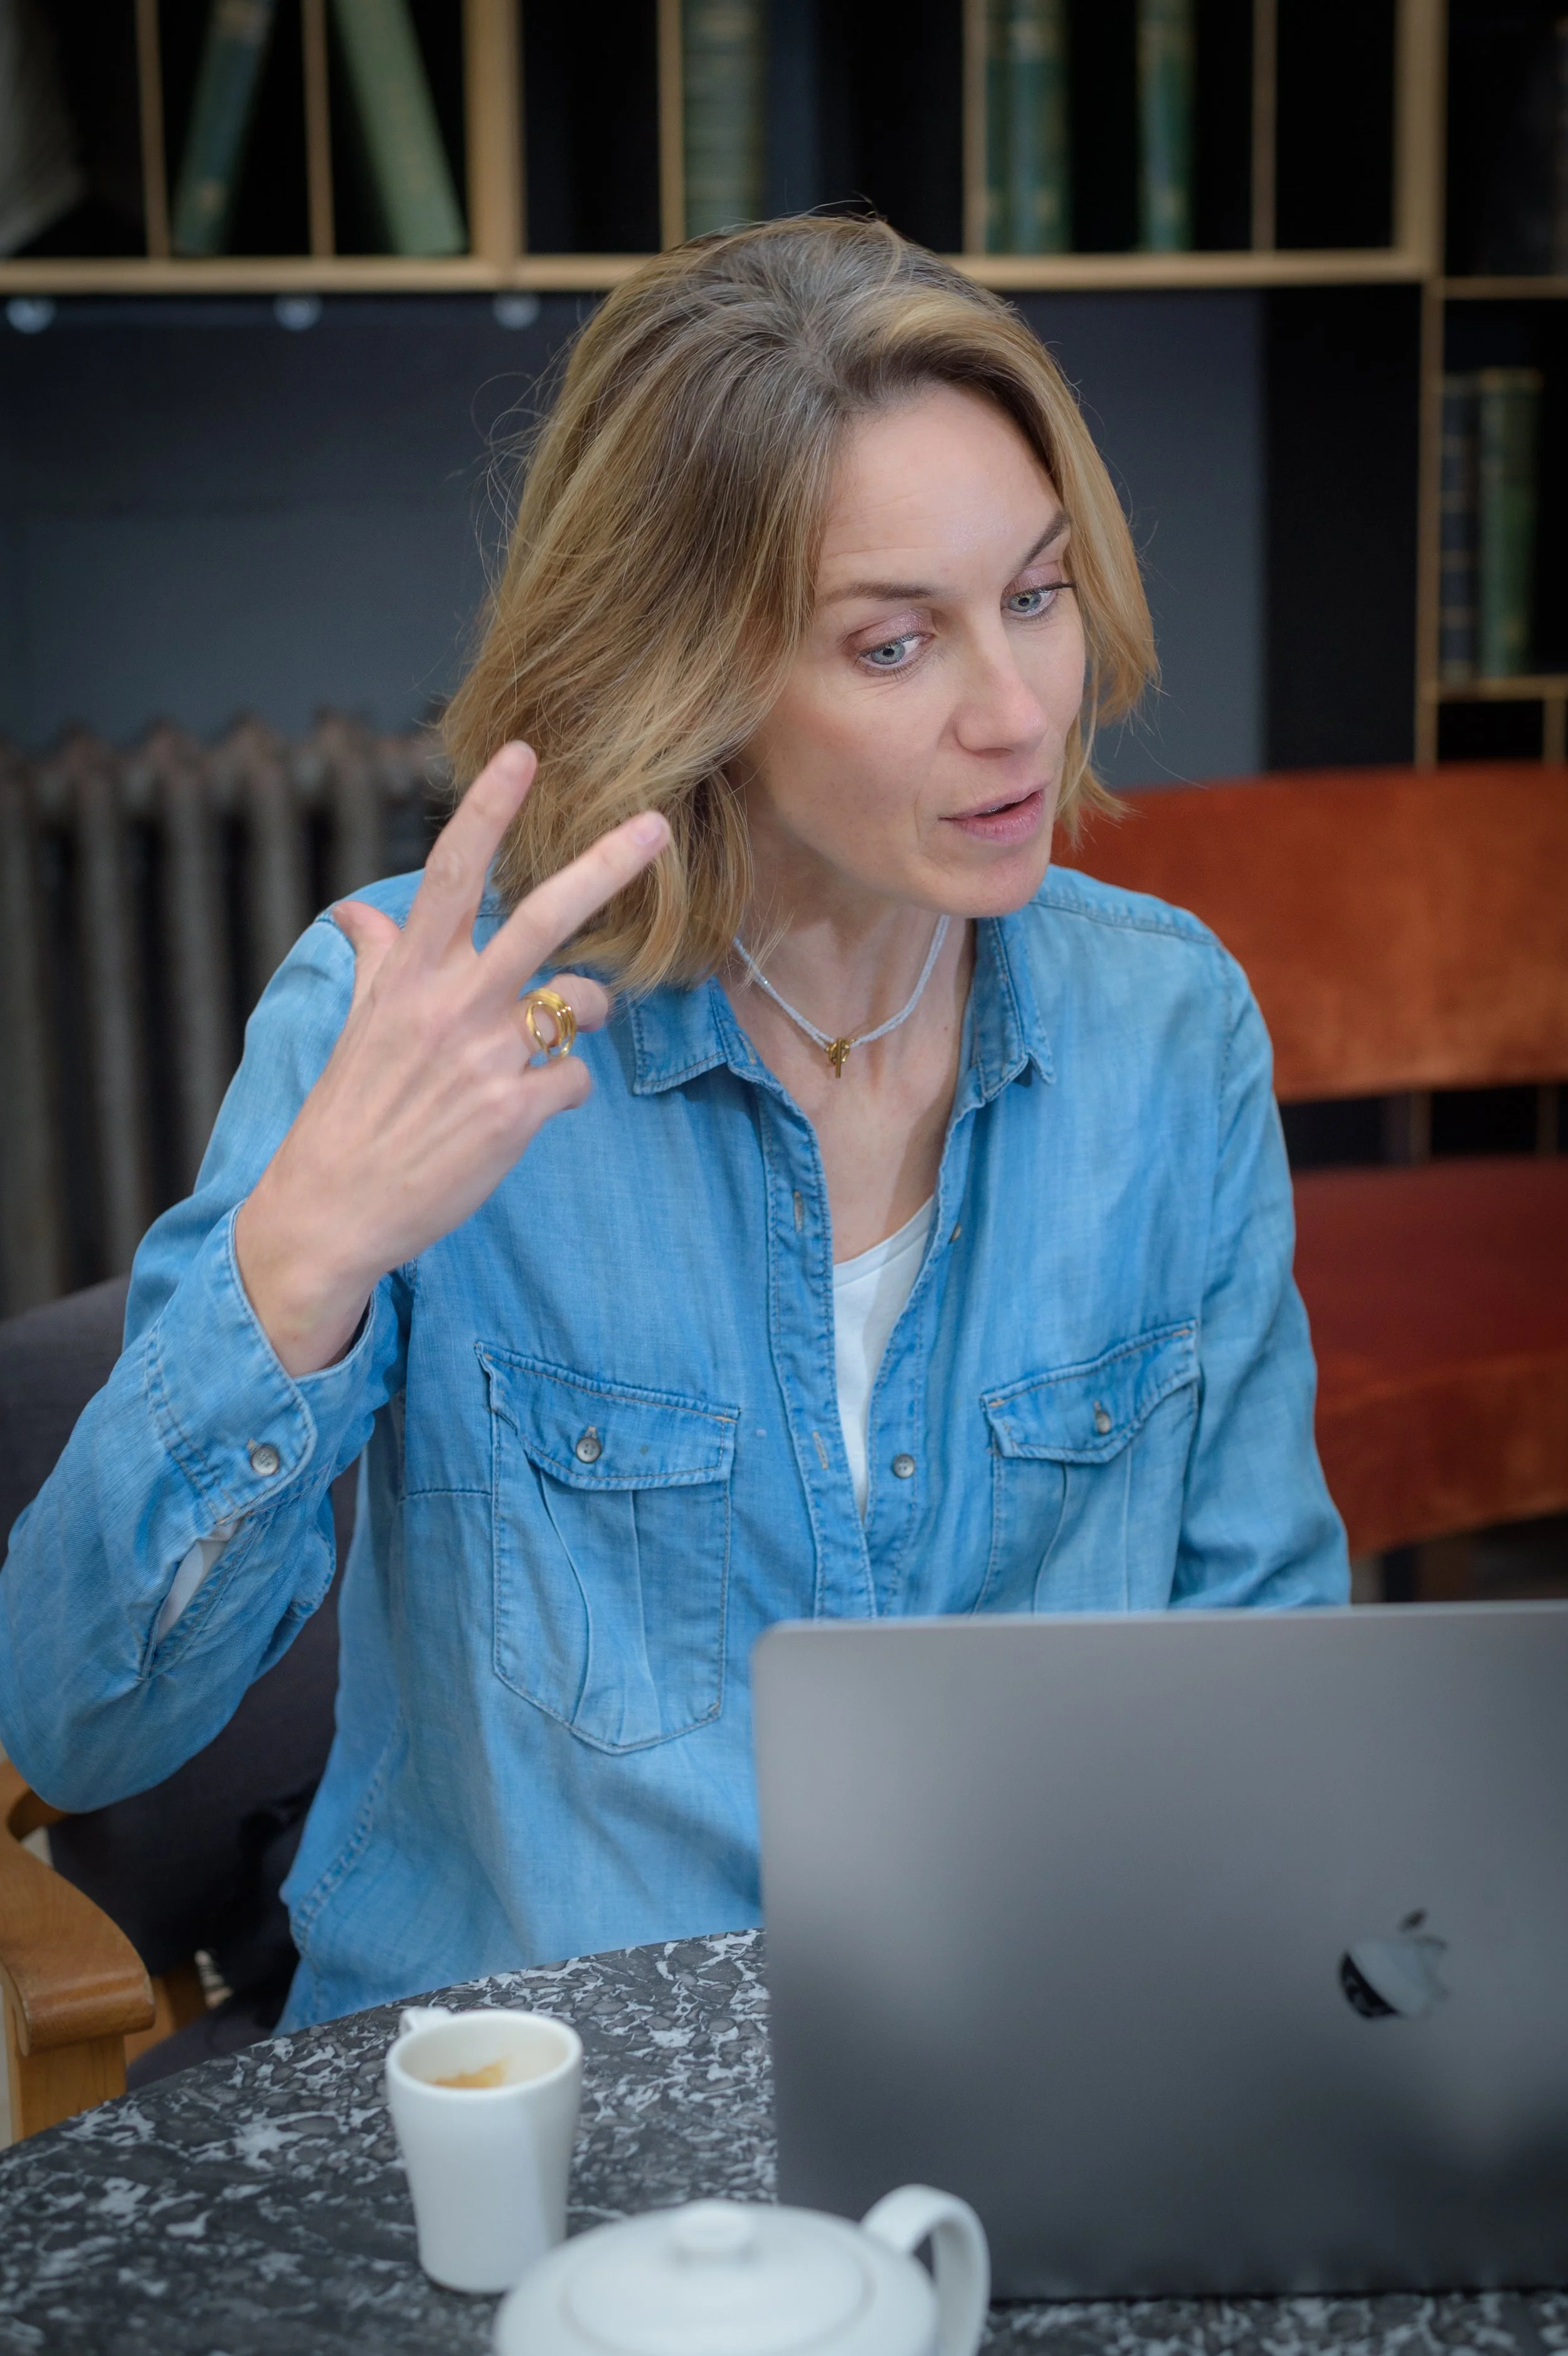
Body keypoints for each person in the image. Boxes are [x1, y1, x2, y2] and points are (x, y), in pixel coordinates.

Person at [0, 218, 1347, 2031]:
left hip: (1034, 2066)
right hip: (542, 2111)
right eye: (894, 644)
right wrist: (298, 1256)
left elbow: (1274, 1672)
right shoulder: (415, 1023)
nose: (1019, 708)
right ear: (688, 677)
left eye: (1033, 595)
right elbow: (74, 1719)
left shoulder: (1166, 1029)